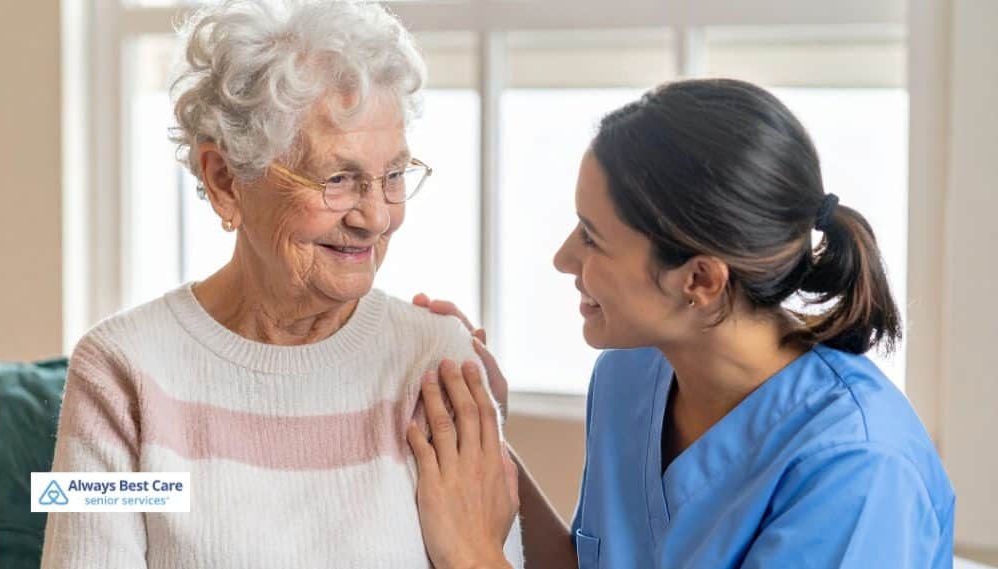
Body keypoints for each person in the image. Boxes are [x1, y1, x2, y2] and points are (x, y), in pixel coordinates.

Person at [40, 1, 524, 567]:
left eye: (392, 175)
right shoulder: (122, 372)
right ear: (225, 181)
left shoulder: (437, 366)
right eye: (338, 179)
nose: (376, 216)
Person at [405, 79, 955, 569]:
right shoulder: (631, 375)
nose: (563, 258)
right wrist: (482, 427)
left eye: (593, 237)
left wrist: (472, 559)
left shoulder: (858, 470)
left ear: (699, 280)